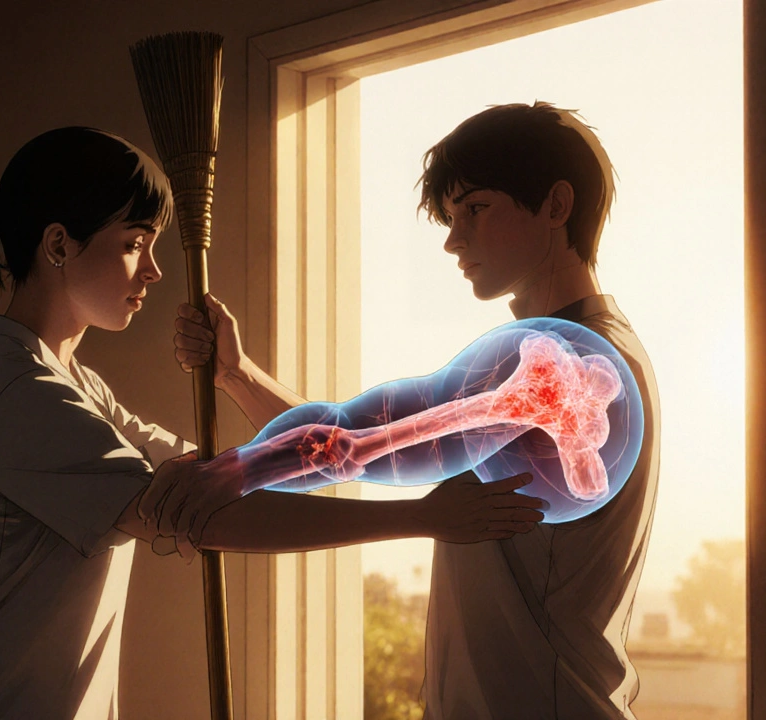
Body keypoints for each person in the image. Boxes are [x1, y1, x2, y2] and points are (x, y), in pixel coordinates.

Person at [0, 126, 543, 720]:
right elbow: (205, 514)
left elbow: (236, 476)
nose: (152, 270)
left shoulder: (76, 387)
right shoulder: (21, 397)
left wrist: (237, 374)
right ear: (60, 244)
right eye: (132, 244)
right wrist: (419, 519)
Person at [171, 102, 660, 719]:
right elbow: (369, 444)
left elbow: (354, 444)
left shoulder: (569, 363)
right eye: (451, 218)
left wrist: (232, 472)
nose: (455, 240)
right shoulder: (579, 347)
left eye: (476, 209)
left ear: (556, 206)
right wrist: (238, 376)